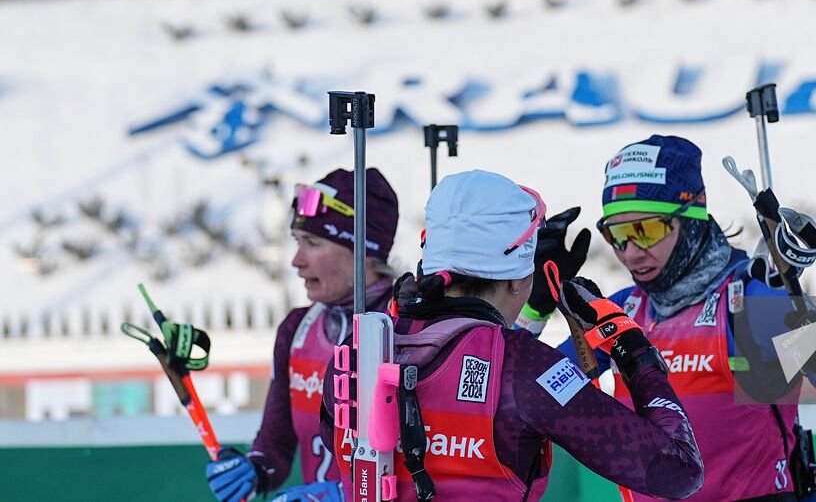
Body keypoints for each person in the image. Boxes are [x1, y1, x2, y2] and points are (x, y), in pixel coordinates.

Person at [537, 134, 816, 502]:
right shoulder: (622, 312)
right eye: (617, 234)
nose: (631, 252)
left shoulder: (754, 300)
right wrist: (532, 303)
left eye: (646, 230)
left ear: (692, 218)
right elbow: (528, 397)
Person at [320, 168, 704, 501]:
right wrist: (631, 347)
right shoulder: (521, 366)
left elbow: (483, 377)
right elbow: (679, 470)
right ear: (520, 280)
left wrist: (534, 315)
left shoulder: (360, 351)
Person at [204, 168, 401, 502]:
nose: (296, 261)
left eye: (313, 243)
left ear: (364, 252)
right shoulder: (297, 330)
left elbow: (430, 457)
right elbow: (275, 446)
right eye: (297, 242)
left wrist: (344, 493)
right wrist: (253, 471)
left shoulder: (407, 329)